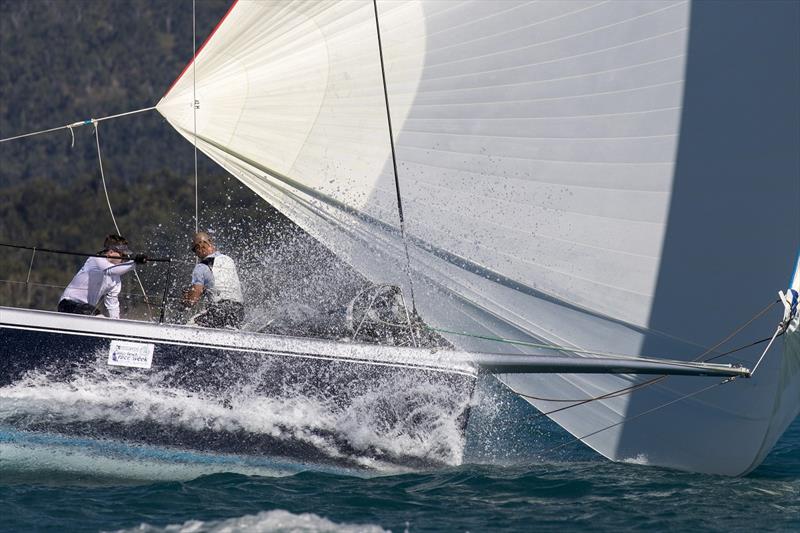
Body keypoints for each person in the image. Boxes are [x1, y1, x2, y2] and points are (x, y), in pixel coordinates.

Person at [58, 235, 146, 319]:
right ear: (111, 252)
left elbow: (112, 305)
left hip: (87, 310)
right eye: (122, 255)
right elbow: (110, 270)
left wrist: (117, 324)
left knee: (95, 315)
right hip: (67, 304)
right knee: (95, 315)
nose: (124, 258)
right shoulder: (96, 260)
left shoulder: (116, 280)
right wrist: (135, 263)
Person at [182, 231, 245, 328]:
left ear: (199, 248)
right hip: (238, 312)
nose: (196, 254)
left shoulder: (201, 268)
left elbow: (193, 300)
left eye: (195, 251)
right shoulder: (229, 260)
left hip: (219, 311)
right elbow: (219, 284)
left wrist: (185, 300)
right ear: (211, 243)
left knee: (189, 326)